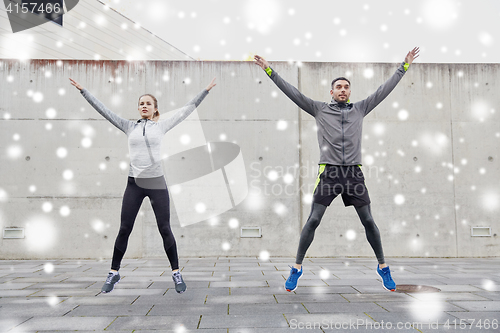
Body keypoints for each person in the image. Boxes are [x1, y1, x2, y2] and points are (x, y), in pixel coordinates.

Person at [254, 47, 419, 292]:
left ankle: (383, 267)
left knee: (369, 221)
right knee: (314, 219)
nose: (343, 90)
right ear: (332, 92)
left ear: (350, 91)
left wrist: (403, 67)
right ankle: (297, 268)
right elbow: (292, 92)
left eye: (346, 87)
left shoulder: (360, 108)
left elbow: (384, 90)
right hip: (329, 173)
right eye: (338, 87)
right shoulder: (320, 109)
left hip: (354, 173)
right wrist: (269, 70)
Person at [69, 77, 217, 294]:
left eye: (148, 103)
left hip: (156, 183)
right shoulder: (128, 126)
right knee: (124, 228)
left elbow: (187, 109)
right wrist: (84, 91)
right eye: (141, 103)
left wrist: (205, 90)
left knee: (164, 228)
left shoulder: (162, 126)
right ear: (138, 108)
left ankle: (176, 272)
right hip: (135, 184)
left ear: (155, 108)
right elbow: (104, 110)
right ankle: (114, 272)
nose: (144, 106)